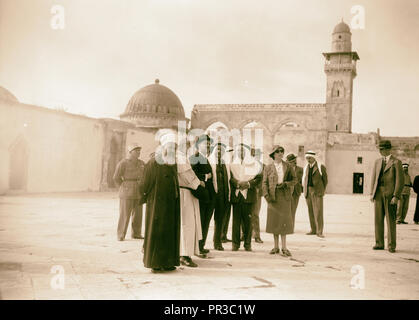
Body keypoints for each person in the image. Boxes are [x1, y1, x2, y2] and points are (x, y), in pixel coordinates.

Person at [140, 130, 181, 273]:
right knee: (157, 232)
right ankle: (155, 263)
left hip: (171, 204)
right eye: (169, 147)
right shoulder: (153, 163)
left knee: (169, 232)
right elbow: (145, 184)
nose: (172, 150)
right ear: (163, 147)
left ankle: (168, 262)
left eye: (174, 147)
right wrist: (146, 198)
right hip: (157, 205)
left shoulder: (173, 163)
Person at [370, 140, 404, 253]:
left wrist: (396, 196)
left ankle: (391, 245)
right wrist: (372, 193)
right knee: (378, 220)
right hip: (378, 194)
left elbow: (400, 181)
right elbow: (374, 178)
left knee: (391, 221)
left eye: (382, 149)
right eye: (379, 149)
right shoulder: (377, 162)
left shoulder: (396, 162)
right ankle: (379, 243)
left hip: (390, 196)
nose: (380, 151)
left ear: (388, 149)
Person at [263, 145, 296, 256]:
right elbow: (264, 183)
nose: (281, 153)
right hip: (273, 197)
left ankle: (284, 247)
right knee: (274, 222)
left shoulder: (288, 166)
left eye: (282, 151)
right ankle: (276, 247)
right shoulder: (268, 168)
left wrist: (286, 184)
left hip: (284, 196)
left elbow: (295, 180)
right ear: (273, 155)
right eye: (278, 152)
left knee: (284, 222)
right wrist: (266, 196)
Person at [230, 143, 262, 252]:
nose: (241, 153)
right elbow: (230, 178)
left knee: (248, 221)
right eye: (239, 151)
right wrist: (237, 183)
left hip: (249, 196)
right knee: (236, 221)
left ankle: (247, 244)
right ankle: (235, 244)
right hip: (237, 195)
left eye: (243, 151)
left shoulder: (254, 163)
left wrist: (248, 184)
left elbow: (258, 178)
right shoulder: (232, 164)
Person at [177, 140, 204, 267]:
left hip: (187, 193)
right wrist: (199, 184)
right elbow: (188, 176)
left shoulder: (182, 157)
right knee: (187, 225)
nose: (188, 147)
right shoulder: (180, 158)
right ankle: (184, 255)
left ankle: (185, 253)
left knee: (188, 224)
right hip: (185, 194)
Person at [113, 143, 145, 241]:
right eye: (136, 150)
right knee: (124, 214)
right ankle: (121, 234)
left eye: (139, 150)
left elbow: (145, 175)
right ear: (130, 152)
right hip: (127, 191)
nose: (138, 152)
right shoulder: (123, 163)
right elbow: (116, 178)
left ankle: (136, 233)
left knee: (138, 214)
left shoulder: (142, 163)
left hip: (138, 190)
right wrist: (123, 187)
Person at [190, 134, 216, 255]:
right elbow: (192, 175)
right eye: (205, 144)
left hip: (209, 196)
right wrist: (206, 177)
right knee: (200, 222)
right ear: (198, 145)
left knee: (205, 222)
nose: (208, 146)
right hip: (201, 196)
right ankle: (197, 247)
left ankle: (201, 246)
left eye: (209, 144)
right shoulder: (195, 157)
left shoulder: (204, 158)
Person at [208, 142, 231, 251]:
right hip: (212, 196)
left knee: (220, 220)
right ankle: (201, 244)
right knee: (206, 220)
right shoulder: (209, 161)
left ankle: (217, 243)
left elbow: (228, 180)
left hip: (223, 196)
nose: (219, 152)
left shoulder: (226, 164)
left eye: (221, 150)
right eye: (217, 150)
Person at [303, 150, 328, 238]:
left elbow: (325, 180)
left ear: (313, 158)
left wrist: (322, 190)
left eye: (309, 158)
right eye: (307, 158)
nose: (308, 160)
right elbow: (304, 179)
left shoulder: (320, 167)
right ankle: (313, 230)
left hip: (317, 192)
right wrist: (305, 191)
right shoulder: (306, 167)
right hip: (308, 192)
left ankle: (319, 231)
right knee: (311, 211)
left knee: (318, 212)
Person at [286, 153, 303, 232]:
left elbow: (303, 180)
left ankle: (291, 227)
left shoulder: (300, 169)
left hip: (296, 192)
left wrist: (301, 188)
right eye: (292, 161)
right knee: (287, 210)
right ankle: (287, 226)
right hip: (287, 192)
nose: (294, 162)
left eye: (294, 160)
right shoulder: (285, 169)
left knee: (293, 210)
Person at [250, 148, 264, 243]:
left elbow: (264, 180)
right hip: (248, 191)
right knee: (247, 214)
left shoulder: (264, 167)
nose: (256, 156)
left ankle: (257, 235)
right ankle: (245, 234)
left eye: (258, 155)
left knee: (255, 214)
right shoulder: (248, 166)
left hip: (257, 193)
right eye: (254, 155)